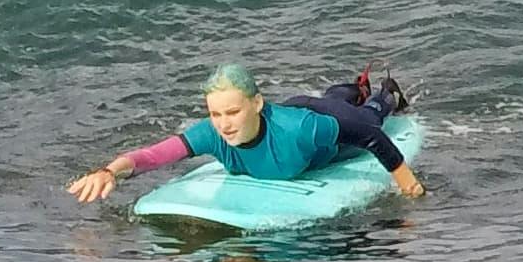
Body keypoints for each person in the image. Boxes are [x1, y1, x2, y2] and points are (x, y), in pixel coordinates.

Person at [67, 61, 425, 204]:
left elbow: (370, 138)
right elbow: (152, 156)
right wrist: (109, 171)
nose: (224, 123)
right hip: (300, 106)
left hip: (316, 118)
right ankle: (350, 86)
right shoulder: (213, 133)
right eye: (216, 113)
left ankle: (385, 92)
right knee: (335, 99)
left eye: (233, 111)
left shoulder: (298, 131)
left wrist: (409, 187)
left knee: (371, 117)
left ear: (256, 104)